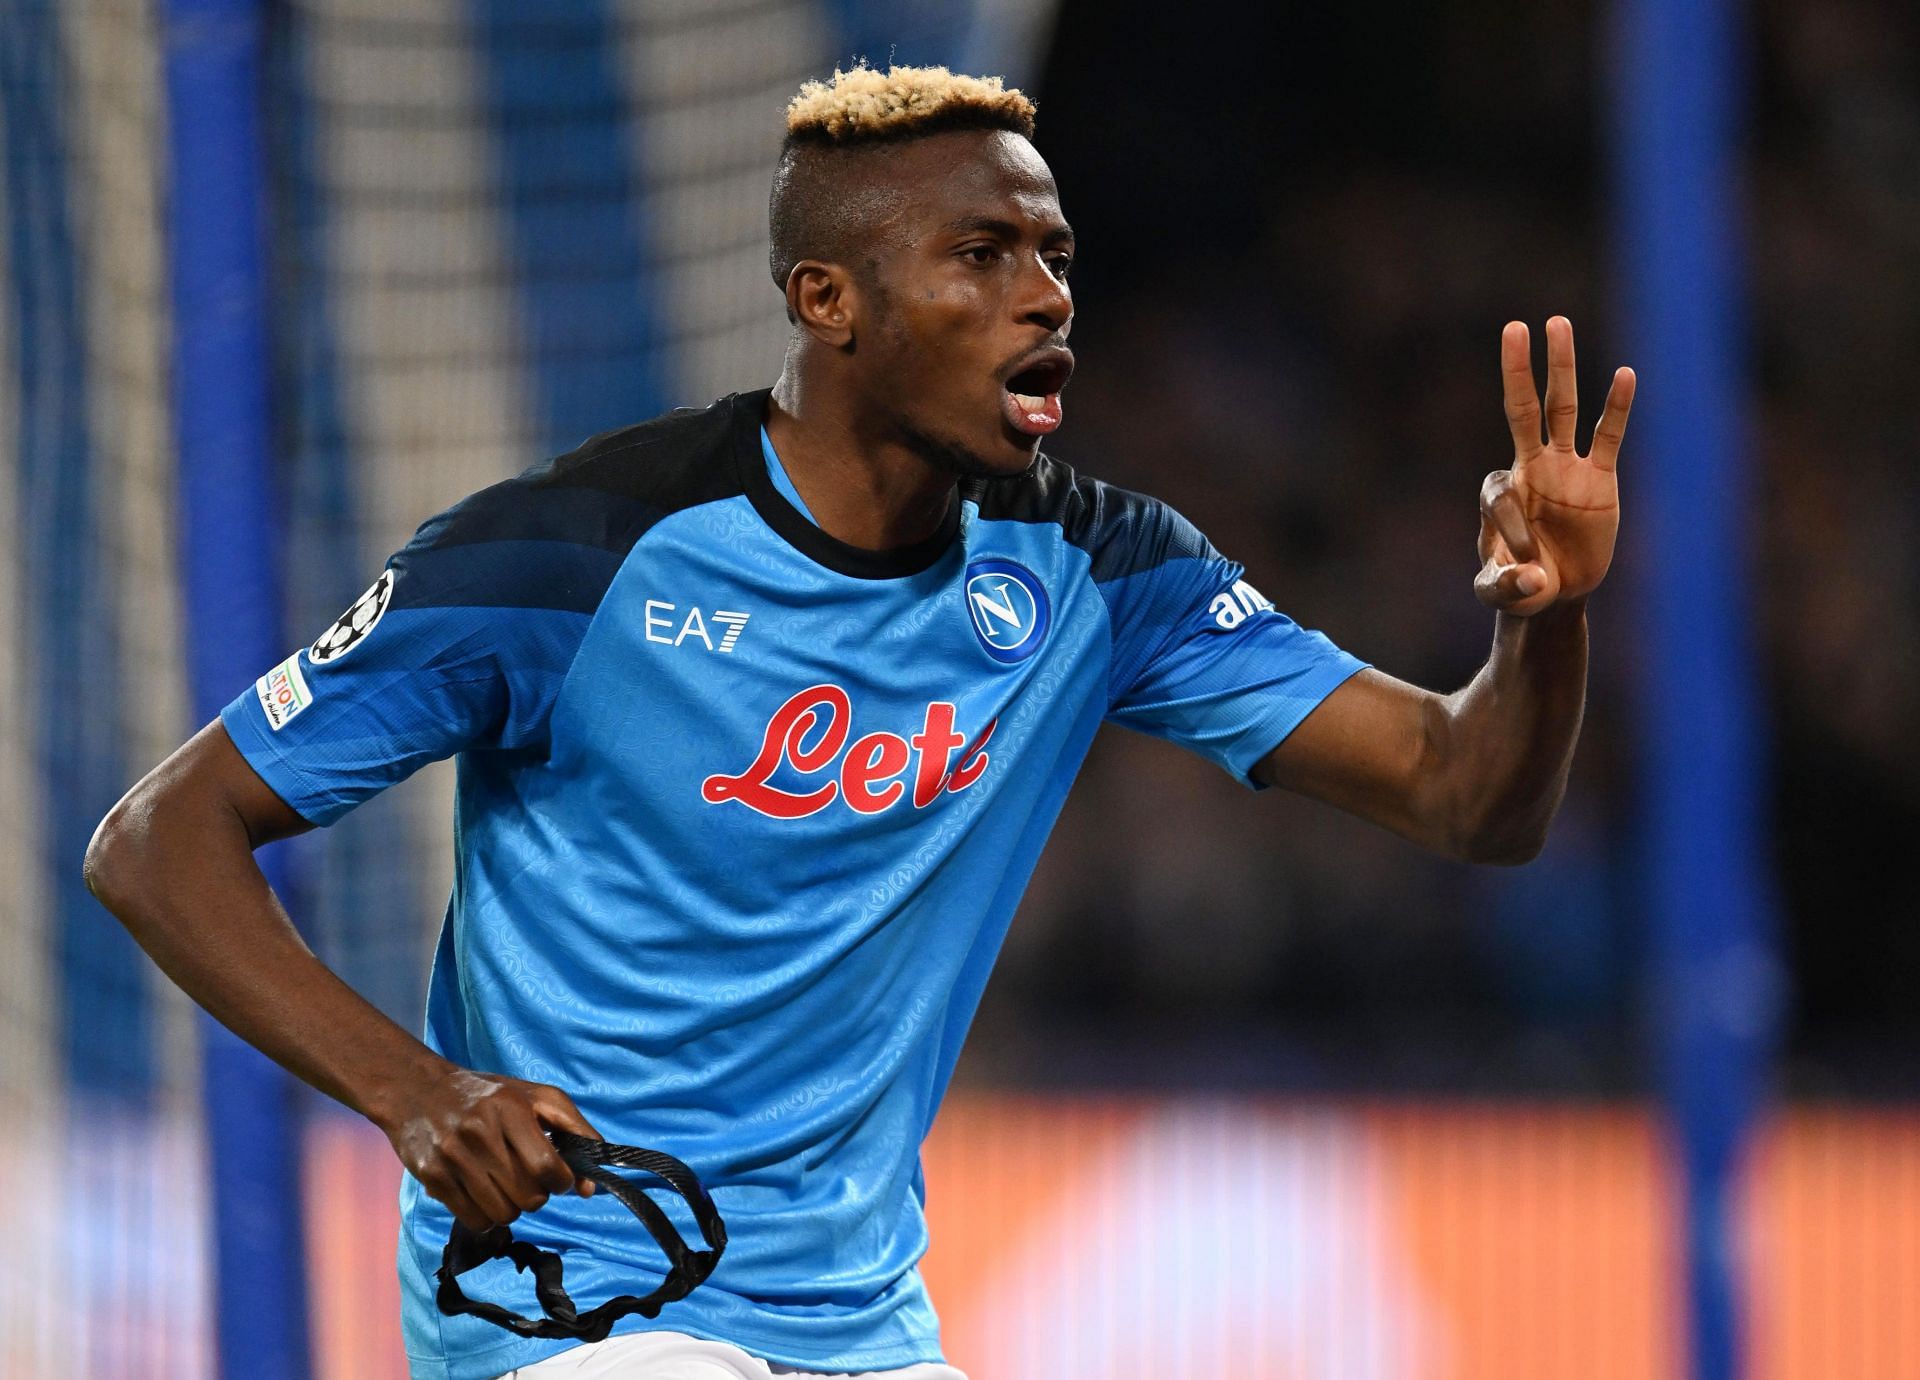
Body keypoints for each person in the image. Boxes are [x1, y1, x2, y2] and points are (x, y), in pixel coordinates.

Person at [84, 64, 1634, 1380]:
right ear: (827, 299)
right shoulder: (571, 554)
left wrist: (1544, 616)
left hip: (858, 1331)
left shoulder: (1097, 565)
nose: (1044, 297)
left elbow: (1469, 798)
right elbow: (161, 840)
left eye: (1057, 255)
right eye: (982, 255)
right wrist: (417, 1093)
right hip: (581, 1324)